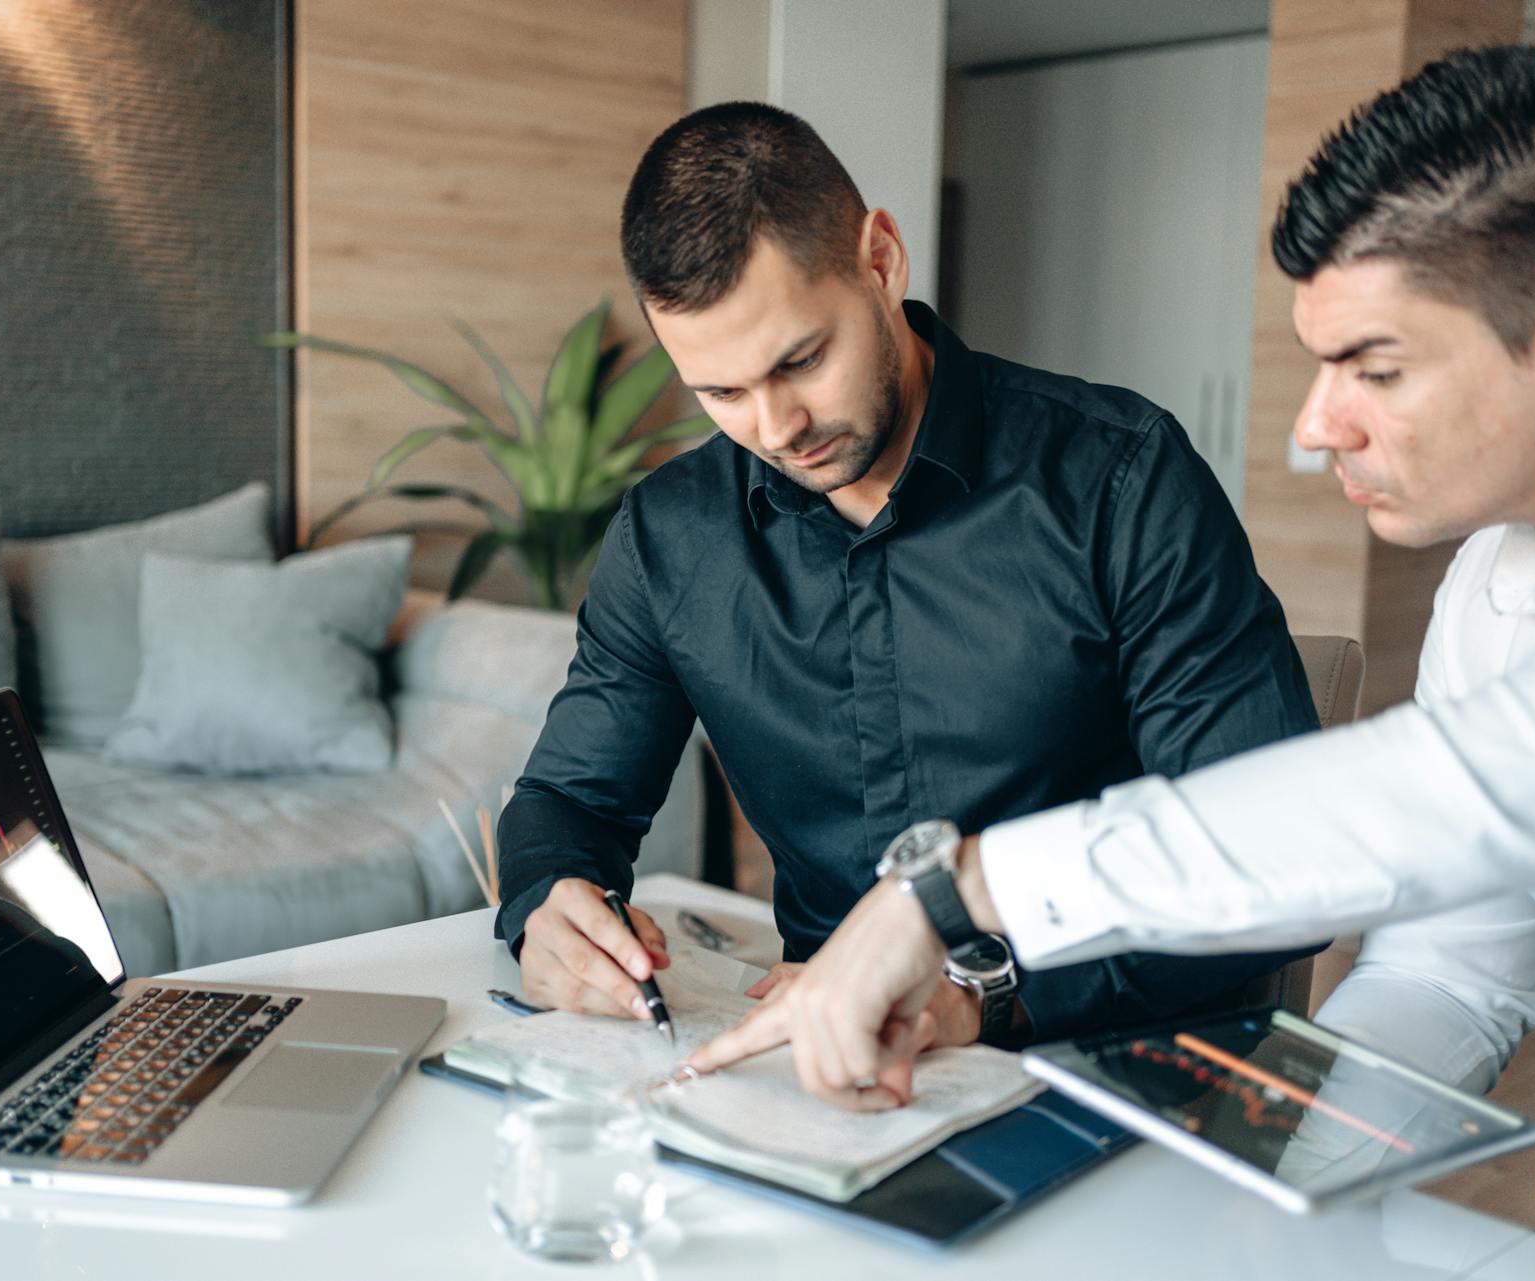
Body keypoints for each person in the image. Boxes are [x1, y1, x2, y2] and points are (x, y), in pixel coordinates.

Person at [686, 44, 1535, 1266]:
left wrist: (953, 891)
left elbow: (1410, 811)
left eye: (1378, 368)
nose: (1315, 425)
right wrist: (1256, 1177)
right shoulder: (1502, 584)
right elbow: (1457, 970)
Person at [492, 102, 1323, 1056]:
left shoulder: (1119, 482)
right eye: (720, 392)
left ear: (881, 260)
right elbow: (572, 800)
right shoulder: (671, 535)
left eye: (802, 359)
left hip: (1116, 1061)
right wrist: (547, 903)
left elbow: (1275, 856)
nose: (775, 428)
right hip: (826, 1063)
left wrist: (977, 991)